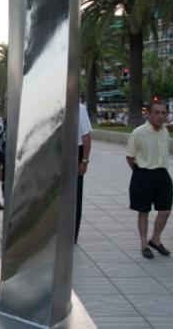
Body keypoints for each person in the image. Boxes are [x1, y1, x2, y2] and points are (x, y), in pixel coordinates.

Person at [126, 102, 173, 259]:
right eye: (157, 112)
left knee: (165, 210)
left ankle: (156, 239)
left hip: (162, 173)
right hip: (143, 174)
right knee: (143, 211)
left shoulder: (165, 132)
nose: (161, 116)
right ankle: (144, 244)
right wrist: (140, 172)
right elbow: (130, 156)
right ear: (149, 114)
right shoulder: (139, 132)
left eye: (163, 113)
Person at [76, 103, 92, 244]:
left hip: (75, 151)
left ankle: (72, 233)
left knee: (75, 195)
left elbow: (86, 135)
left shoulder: (79, 108)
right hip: (55, 151)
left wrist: (84, 160)